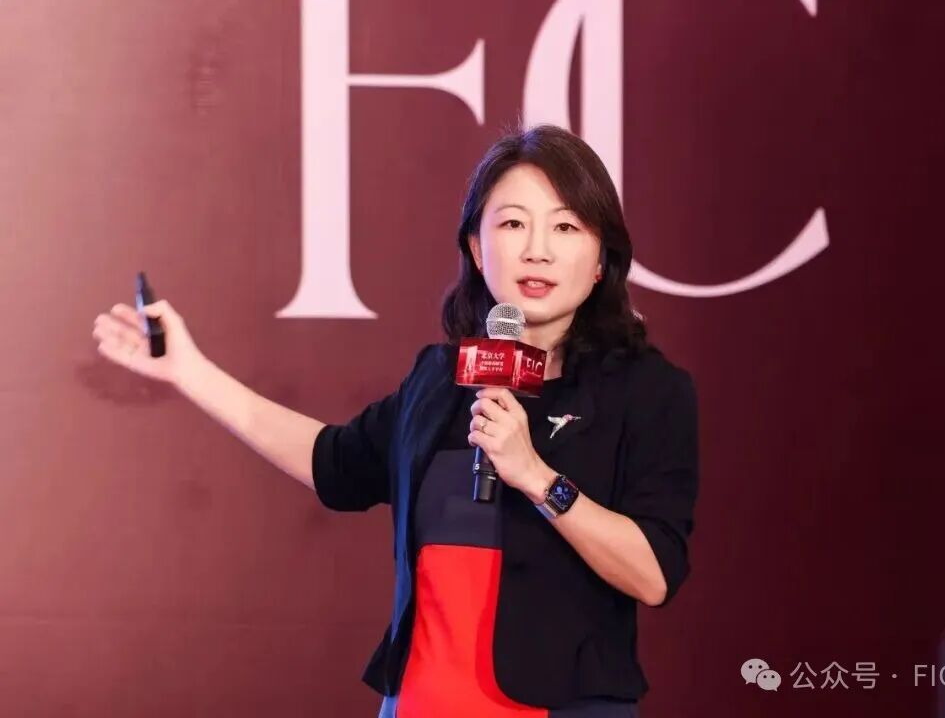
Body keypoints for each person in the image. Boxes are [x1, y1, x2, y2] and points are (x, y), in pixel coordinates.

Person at [91, 124, 700, 717]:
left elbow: (653, 575)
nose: (537, 249)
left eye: (565, 226)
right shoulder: (440, 378)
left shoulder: (647, 391)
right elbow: (333, 463)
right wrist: (190, 371)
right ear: (476, 248)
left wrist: (538, 478)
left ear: (600, 260)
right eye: (513, 223)